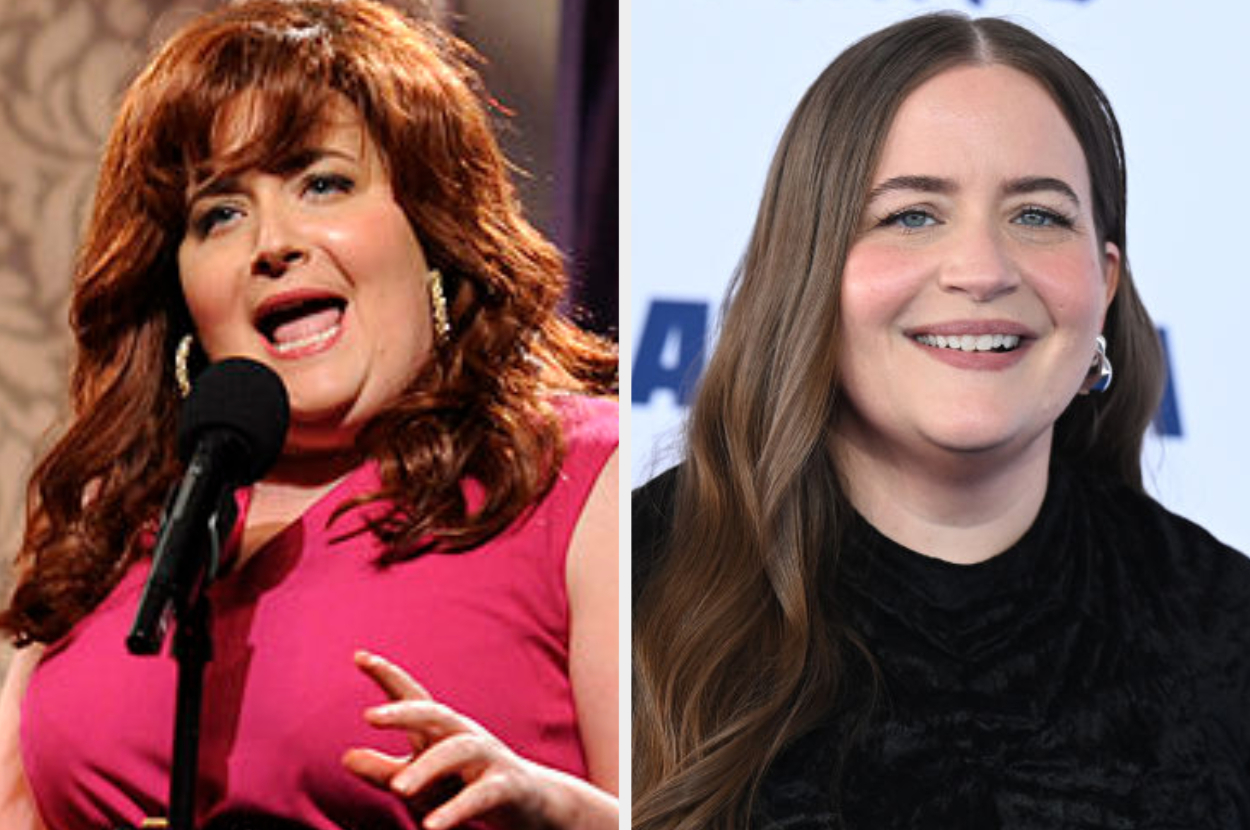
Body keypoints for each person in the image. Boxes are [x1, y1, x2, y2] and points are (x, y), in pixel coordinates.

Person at [0, 1, 619, 828]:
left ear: (432, 229)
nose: (271, 243)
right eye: (219, 212)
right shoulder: (113, 529)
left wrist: (560, 815)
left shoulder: (585, 481)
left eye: (321, 182)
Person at [633, 12, 1250, 830]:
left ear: (1103, 283)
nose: (982, 271)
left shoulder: (1224, 629)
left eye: (1038, 215)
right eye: (911, 216)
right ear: (808, 267)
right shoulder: (643, 579)